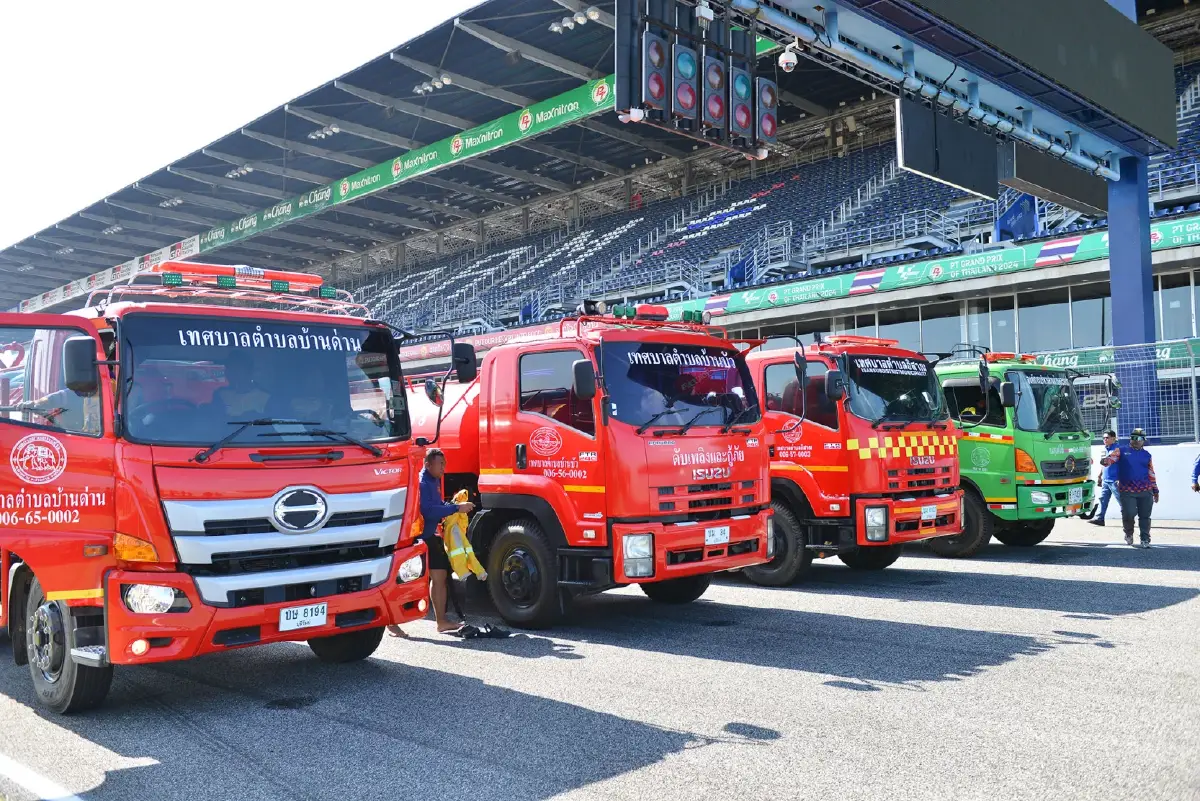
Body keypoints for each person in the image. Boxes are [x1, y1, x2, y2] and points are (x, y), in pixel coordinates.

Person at [387, 448, 474, 637]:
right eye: (440, 464)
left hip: (431, 536)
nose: (444, 467)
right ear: (428, 465)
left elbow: (437, 505)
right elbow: (428, 511)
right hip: (418, 538)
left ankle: (441, 622)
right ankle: (392, 623)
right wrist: (457, 507)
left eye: (444, 463)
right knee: (406, 580)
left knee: (440, 577)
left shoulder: (434, 481)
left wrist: (452, 505)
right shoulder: (423, 483)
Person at [1099, 428, 1158, 548]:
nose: (1136, 441)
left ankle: (1145, 539)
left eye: (1139, 439)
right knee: (1129, 514)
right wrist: (1105, 460)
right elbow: (1111, 458)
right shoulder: (1121, 450)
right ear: (1130, 439)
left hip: (1145, 490)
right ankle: (1129, 534)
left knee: (1145, 516)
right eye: (1134, 438)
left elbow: (1151, 473)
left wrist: (1155, 490)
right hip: (1127, 490)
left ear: (1144, 441)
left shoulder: (1147, 455)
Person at [214, 351, 269, 417]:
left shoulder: (266, 397)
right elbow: (215, 420)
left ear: (248, 370)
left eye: (236, 368)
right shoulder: (221, 395)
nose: (229, 372)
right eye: (228, 368)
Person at [1089, 430, 1120, 526]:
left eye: (1107, 437)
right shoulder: (1104, 449)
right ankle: (1099, 519)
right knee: (1102, 499)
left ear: (1113, 438)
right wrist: (1100, 476)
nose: (1105, 439)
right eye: (1104, 438)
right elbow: (1104, 465)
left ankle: (1130, 518)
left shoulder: (1118, 450)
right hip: (1106, 480)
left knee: (1122, 500)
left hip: (1115, 480)